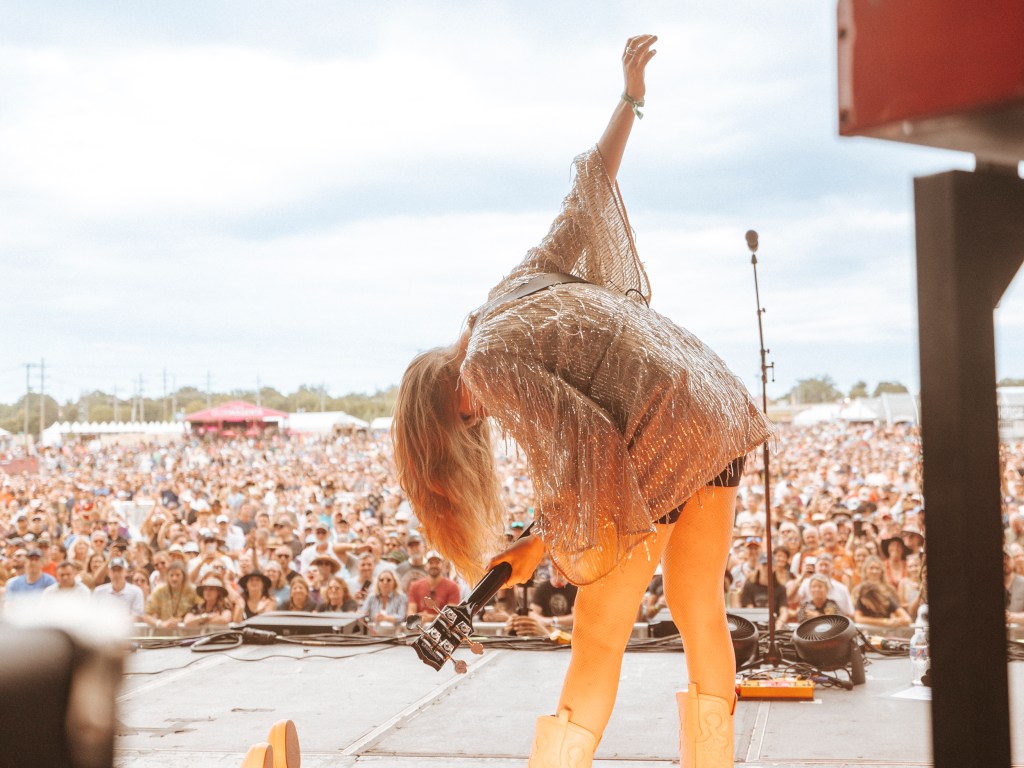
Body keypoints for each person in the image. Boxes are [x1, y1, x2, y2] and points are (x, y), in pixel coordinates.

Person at [392, 35, 773, 768]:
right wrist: (629, 98)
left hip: (662, 426)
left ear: (449, 415)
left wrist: (547, 542)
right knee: (699, 605)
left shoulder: (489, 367)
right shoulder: (511, 291)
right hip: (712, 398)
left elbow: (591, 443)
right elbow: (590, 189)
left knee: (599, 631)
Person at [405, 551, 461, 621]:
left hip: (442, 629)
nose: (434, 565)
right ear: (425, 566)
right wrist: (418, 617)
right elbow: (410, 612)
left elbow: (451, 614)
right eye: (431, 563)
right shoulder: (415, 586)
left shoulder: (453, 586)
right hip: (420, 629)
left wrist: (431, 618)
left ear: (442, 566)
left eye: (437, 563)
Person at [145, 561, 199, 628]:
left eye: (177, 575)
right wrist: (160, 623)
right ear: (167, 576)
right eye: (171, 575)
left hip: (187, 632)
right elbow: (147, 615)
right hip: (163, 632)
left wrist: (184, 619)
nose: (174, 578)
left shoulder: (193, 590)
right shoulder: (159, 590)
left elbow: (201, 610)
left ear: (184, 576)